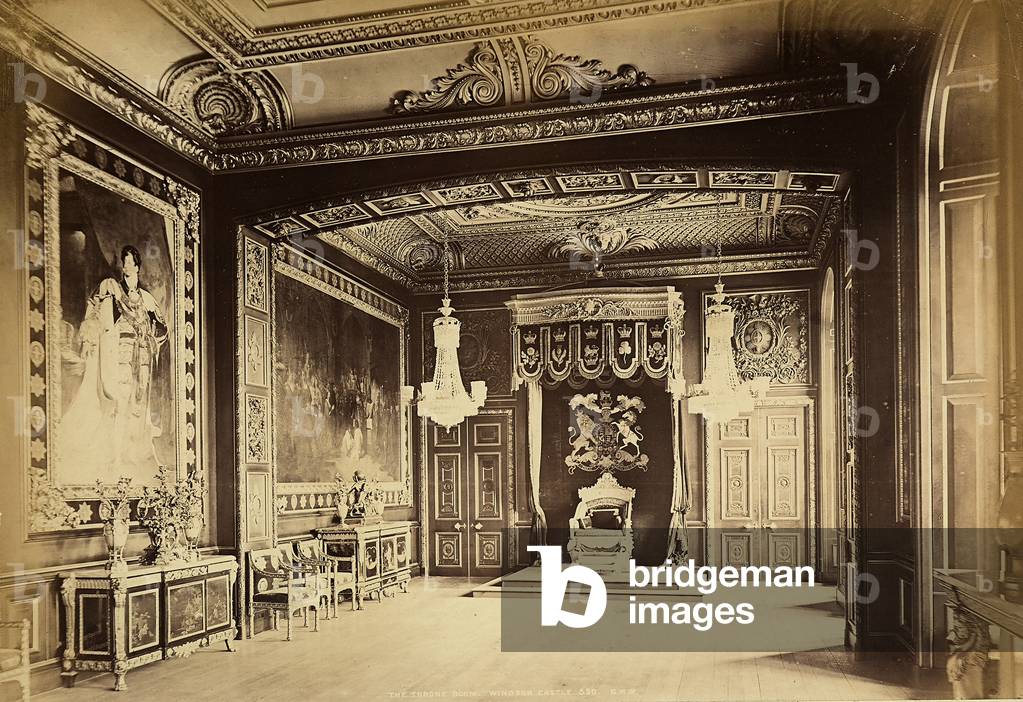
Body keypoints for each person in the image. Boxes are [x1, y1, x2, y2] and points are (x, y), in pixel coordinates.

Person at [59, 245, 168, 481]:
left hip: (140, 360)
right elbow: (96, 314)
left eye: (130, 262)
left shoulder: (146, 299)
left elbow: (161, 330)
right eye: (124, 262)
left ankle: (129, 454)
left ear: (137, 266)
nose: (126, 266)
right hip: (118, 356)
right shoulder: (112, 289)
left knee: (135, 409)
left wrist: (148, 337)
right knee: (117, 404)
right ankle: (115, 457)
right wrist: (91, 338)